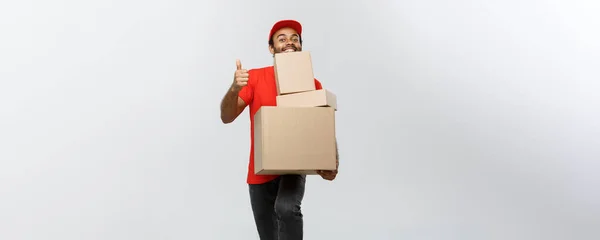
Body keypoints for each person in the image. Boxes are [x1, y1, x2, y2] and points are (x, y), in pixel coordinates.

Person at [219, 19, 339, 240]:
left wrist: (333, 161)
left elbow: (322, 125)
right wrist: (235, 88)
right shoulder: (254, 78)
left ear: (301, 46)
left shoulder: (313, 84)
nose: (289, 42)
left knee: (286, 207)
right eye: (281, 39)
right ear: (271, 48)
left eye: (295, 39)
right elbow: (226, 117)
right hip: (259, 174)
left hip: (293, 168)